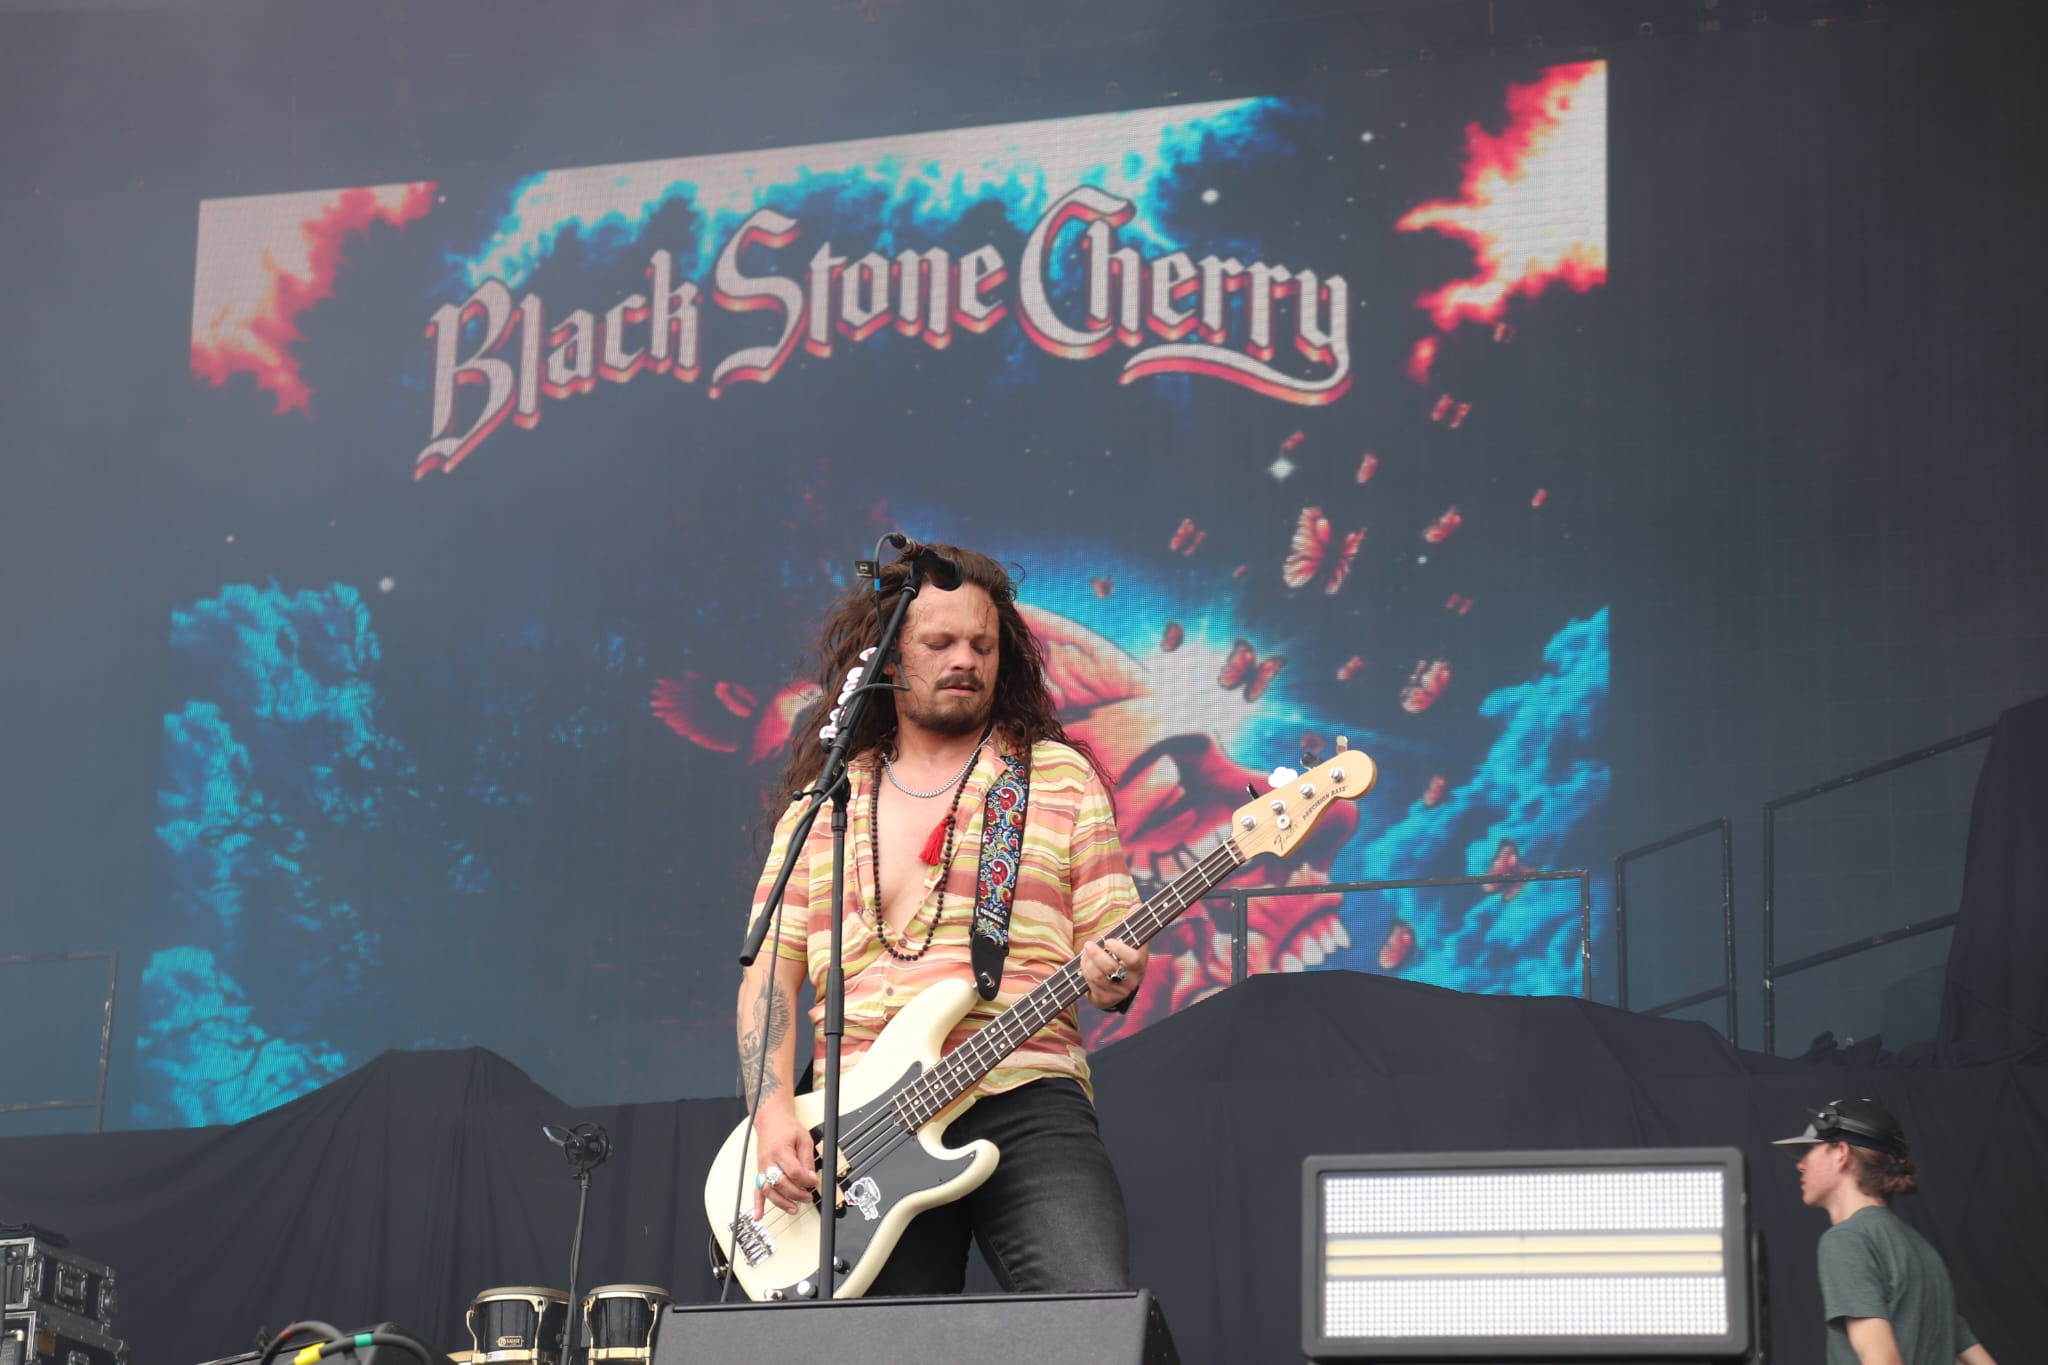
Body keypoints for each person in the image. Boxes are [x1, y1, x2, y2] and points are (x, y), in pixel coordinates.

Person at [736, 543, 1147, 1295]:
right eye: (940, 642)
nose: (965, 659)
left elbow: (1114, 951)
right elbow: (768, 978)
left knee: (1086, 1314)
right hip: (858, 1132)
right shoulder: (825, 805)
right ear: (889, 656)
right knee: (875, 1345)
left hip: (1023, 1089)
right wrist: (772, 1116)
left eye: (982, 645)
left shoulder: (1057, 779)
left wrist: (1117, 974)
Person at [1774, 1097, 1997, 1365]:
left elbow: (1882, 1360)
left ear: (1841, 1153)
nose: (1800, 1164)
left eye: (1810, 1149)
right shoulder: (1922, 1250)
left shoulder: (1847, 1240)